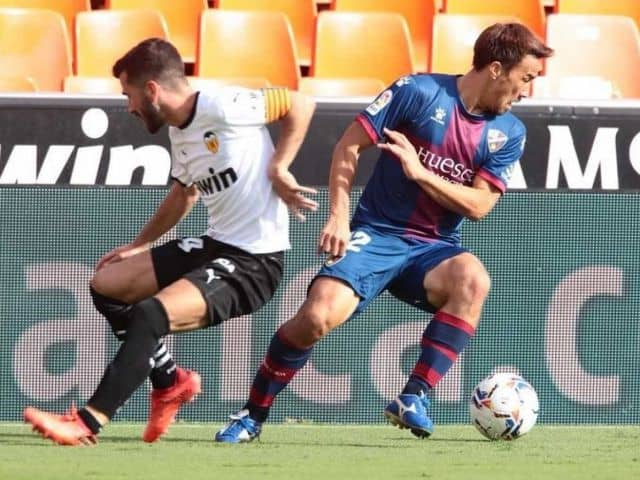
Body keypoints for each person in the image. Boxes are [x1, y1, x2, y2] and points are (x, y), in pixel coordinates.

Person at [214, 23, 553, 443]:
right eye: (526, 79)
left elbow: (479, 206)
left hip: (434, 249)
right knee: (316, 318)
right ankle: (252, 415)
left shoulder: (510, 133)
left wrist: (419, 172)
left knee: (473, 280)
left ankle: (414, 396)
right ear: (497, 69)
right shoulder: (418, 92)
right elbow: (348, 146)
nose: (526, 92)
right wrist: (339, 217)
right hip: (377, 234)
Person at [23, 37, 317, 446]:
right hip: (217, 245)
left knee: (149, 315)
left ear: (153, 90)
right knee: (106, 284)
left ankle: (87, 422)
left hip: (255, 263)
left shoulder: (223, 105)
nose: (128, 106)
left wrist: (279, 167)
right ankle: (170, 382)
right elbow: (185, 194)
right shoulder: (181, 131)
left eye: (128, 95)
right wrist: (138, 244)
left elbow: (300, 103)